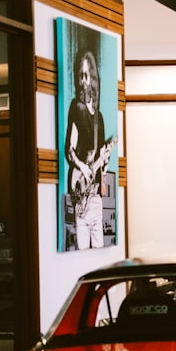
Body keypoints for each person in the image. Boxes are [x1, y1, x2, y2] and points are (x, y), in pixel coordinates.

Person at [64, 47, 114, 250]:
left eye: (88, 75)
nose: (84, 81)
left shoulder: (99, 118)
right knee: (83, 246)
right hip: (81, 186)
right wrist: (83, 168)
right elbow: (70, 150)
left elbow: (101, 154)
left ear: (95, 79)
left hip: (95, 193)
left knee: (100, 248)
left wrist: (105, 158)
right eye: (81, 76)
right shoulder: (77, 108)